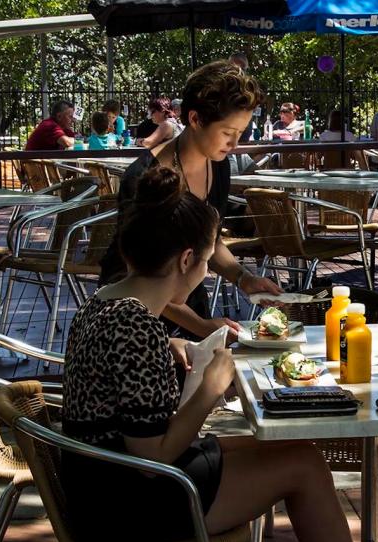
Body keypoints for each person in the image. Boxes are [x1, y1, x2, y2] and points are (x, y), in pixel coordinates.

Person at [64, 165, 378, 542]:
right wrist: (209, 389)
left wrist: (176, 346)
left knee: (300, 456)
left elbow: (122, 384)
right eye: (207, 260)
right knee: (304, 470)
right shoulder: (137, 328)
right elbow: (152, 460)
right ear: (186, 259)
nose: (207, 270)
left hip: (96, 479)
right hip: (126, 502)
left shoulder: (106, 302)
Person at [98, 60, 283, 341]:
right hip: (134, 313)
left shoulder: (218, 165)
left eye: (240, 133)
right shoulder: (144, 176)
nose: (234, 144)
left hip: (187, 296)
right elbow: (137, 273)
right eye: (227, 133)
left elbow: (211, 242)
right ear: (195, 119)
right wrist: (200, 326)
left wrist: (245, 279)